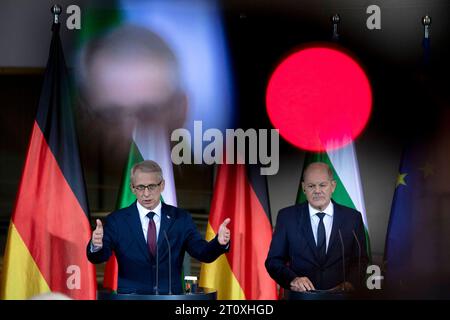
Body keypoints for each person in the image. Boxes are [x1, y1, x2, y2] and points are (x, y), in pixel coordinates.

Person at [87, 160, 231, 295]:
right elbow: (99, 257)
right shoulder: (117, 220)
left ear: (162, 185)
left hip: (171, 298)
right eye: (140, 187)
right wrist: (96, 245)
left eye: (152, 186)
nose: (146, 193)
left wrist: (219, 242)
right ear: (132, 188)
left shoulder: (180, 218)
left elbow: (202, 252)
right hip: (132, 298)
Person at [265, 162, 368, 293]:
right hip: (301, 298)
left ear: (333, 186)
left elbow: (361, 260)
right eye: (311, 186)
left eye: (322, 185)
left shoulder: (352, 218)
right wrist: (293, 280)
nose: (317, 191)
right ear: (304, 188)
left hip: (340, 297)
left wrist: (350, 284)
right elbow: (273, 261)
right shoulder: (287, 217)